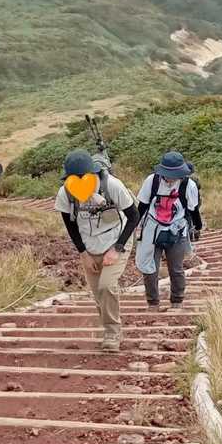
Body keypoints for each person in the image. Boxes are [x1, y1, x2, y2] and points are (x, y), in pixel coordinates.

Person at [53, 148, 138, 351]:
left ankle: (112, 333)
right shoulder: (66, 193)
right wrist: (83, 253)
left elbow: (134, 216)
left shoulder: (112, 186)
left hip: (116, 239)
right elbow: (71, 225)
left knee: (107, 286)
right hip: (89, 245)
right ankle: (110, 328)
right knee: (98, 293)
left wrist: (117, 248)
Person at [134, 151, 199, 307]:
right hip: (152, 228)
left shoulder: (188, 185)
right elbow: (142, 206)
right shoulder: (152, 181)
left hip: (177, 229)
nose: (170, 178)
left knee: (176, 268)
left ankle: (177, 300)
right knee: (150, 268)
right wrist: (134, 226)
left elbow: (194, 210)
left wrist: (198, 228)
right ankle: (153, 302)